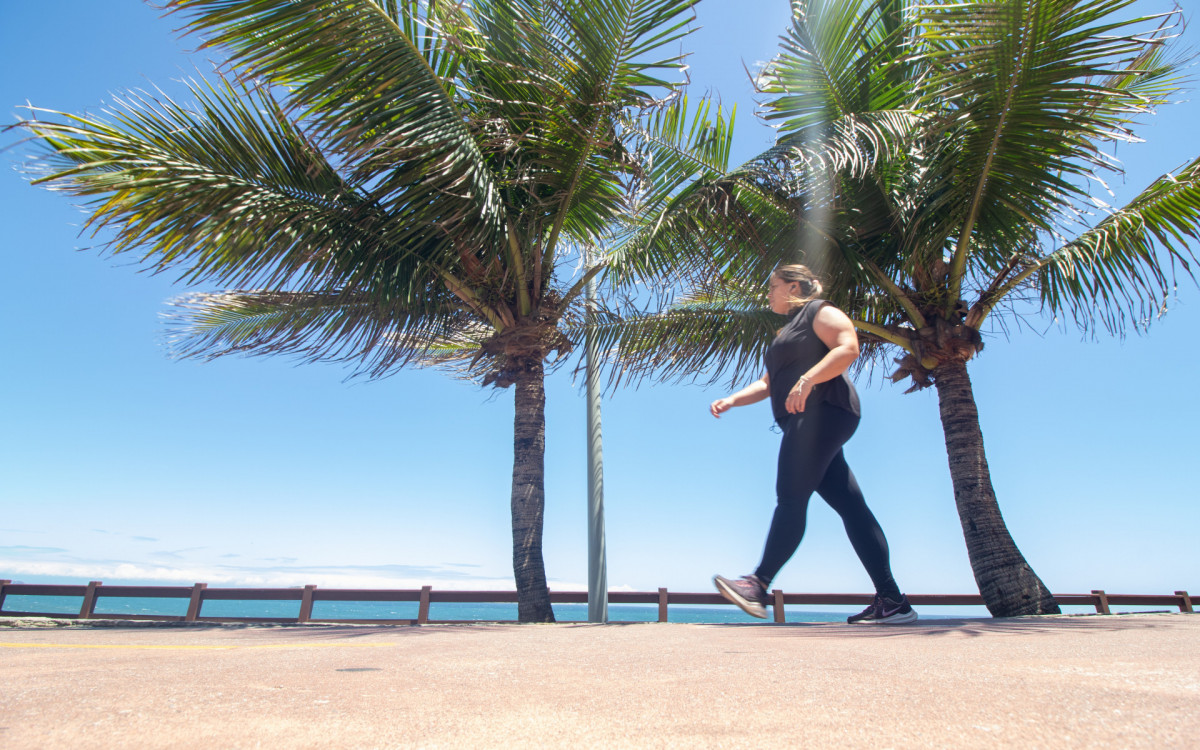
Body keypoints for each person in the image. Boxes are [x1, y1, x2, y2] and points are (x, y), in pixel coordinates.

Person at [710, 264, 917, 624]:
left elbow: (847, 347)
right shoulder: (785, 332)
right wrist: (731, 400)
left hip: (823, 413)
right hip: (810, 420)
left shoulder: (819, 311)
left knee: (791, 497)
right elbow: (768, 384)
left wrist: (807, 379)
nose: (768, 294)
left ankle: (758, 584)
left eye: (772, 286)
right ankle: (892, 600)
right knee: (853, 509)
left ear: (793, 287)